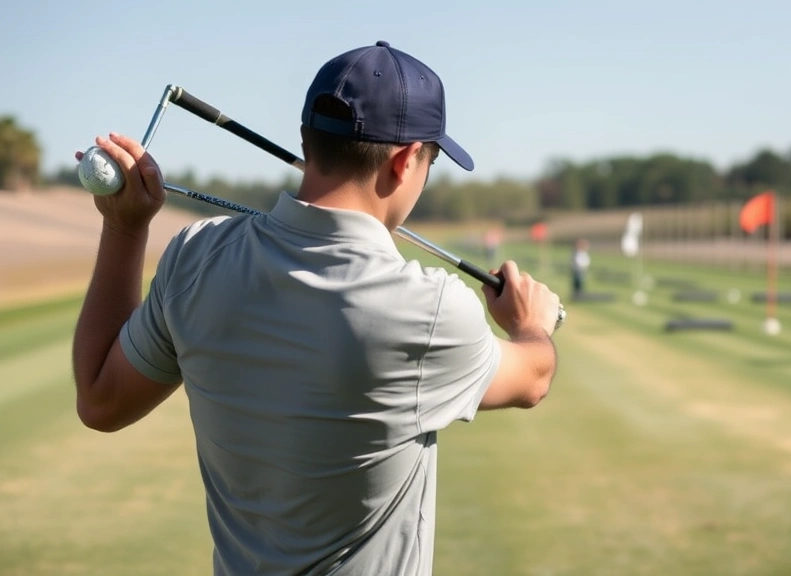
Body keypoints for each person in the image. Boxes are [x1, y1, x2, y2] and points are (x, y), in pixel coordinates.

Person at [71, 41, 562, 576]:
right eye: (432, 161)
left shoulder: (196, 256)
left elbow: (101, 401)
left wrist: (124, 227)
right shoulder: (431, 309)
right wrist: (530, 324)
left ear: (306, 139)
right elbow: (533, 377)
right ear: (403, 163)